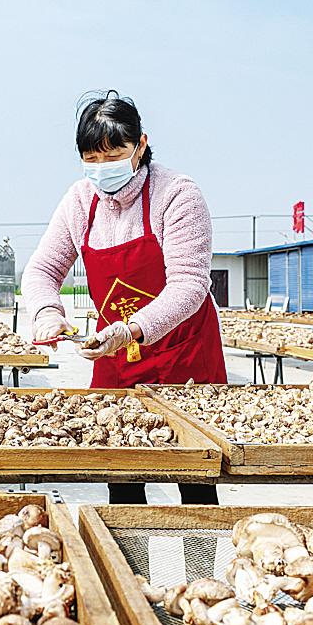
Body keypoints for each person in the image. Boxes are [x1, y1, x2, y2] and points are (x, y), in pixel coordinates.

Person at [21, 91, 226, 506]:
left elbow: (189, 285)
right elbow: (41, 270)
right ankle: (130, 570)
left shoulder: (177, 195)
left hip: (182, 352)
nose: (101, 169)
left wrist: (132, 329)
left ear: (141, 145)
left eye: (113, 155)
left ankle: (204, 567)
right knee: (122, 471)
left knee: (197, 476)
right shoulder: (80, 200)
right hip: (116, 355)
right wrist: (46, 311)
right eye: (91, 160)